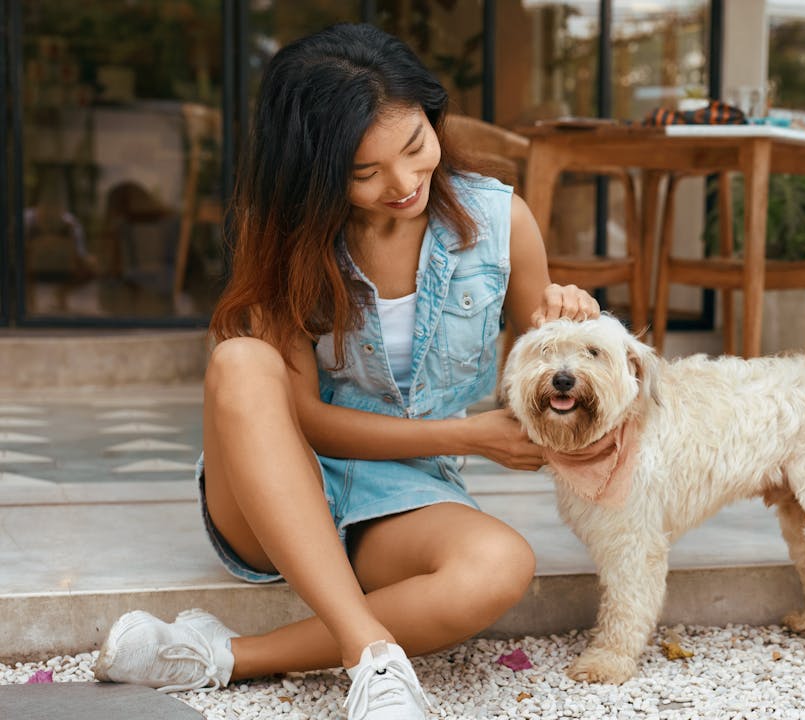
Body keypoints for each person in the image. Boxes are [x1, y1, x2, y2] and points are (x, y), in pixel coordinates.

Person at [92, 23, 599, 720]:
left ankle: (222, 656)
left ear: (433, 117)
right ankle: (371, 657)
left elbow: (553, 365)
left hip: (402, 499)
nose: (402, 183)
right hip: (276, 485)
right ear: (316, 172)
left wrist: (576, 320)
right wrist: (468, 436)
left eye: (416, 146)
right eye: (365, 173)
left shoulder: (501, 221)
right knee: (240, 361)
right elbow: (308, 421)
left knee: (500, 565)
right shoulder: (288, 236)